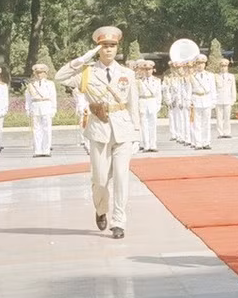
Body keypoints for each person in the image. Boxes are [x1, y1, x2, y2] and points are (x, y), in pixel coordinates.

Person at [55, 26, 140, 239]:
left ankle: (119, 221)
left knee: (121, 177)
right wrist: (82, 60)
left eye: (112, 46)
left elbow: (133, 105)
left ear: (117, 47)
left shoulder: (127, 73)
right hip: (98, 129)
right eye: (104, 46)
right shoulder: (87, 72)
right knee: (100, 179)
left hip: (122, 129)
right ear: (97, 48)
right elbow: (60, 77)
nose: (109, 50)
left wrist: (137, 132)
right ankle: (101, 209)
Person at [24, 64, 58, 157]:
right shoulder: (31, 85)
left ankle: (46, 150)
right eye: (37, 73)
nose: (39, 75)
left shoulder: (50, 84)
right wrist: (27, 109)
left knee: (47, 129)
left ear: (45, 73)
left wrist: (54, 108)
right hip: (35, 107)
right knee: (36, 129)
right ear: (34, 73)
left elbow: (53, 97)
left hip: (46, 106)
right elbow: (28, 98)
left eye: (41, 73)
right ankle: (37, 150)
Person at [190, 55, 216, 149]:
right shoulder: (192, 76)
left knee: (206, 123)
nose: (200, 65)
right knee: (197, 123)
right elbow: (190, 90)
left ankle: (206, 142)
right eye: (198, 63)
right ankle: (198, 143)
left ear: (205, 64)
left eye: (202, 63)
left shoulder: (210, 75)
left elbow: (213, 89)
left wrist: (213, 101)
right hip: (196, 99)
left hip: (207, 98)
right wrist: (190, 101)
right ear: (196, 64)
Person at [138, 60, 162, 152]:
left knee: (153, 125)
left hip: (152, 101)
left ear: (153, 70)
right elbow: (136, 94)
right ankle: (146, 145)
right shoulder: (139, 81)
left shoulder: (157, 80)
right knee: (144, 125)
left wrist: (158, 105)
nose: (148, 71)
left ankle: (153, 145)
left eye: (149, 69)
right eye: (146, 69)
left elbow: (159, 94)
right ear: (143, 70)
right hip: (143, 101)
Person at [215, 58, 237, 138]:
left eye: (225, 66)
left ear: (227, 67)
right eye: (222, 66)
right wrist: (214, 100)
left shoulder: (231, 76)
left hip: (227, 99)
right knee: (219, 118)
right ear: (219, 67)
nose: (223, 68)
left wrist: (233, 99)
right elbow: (214, 89)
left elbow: (233, 88)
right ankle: (220, 133)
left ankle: (227, 132)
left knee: (227, 117)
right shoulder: (216, 76)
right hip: (218, 99)